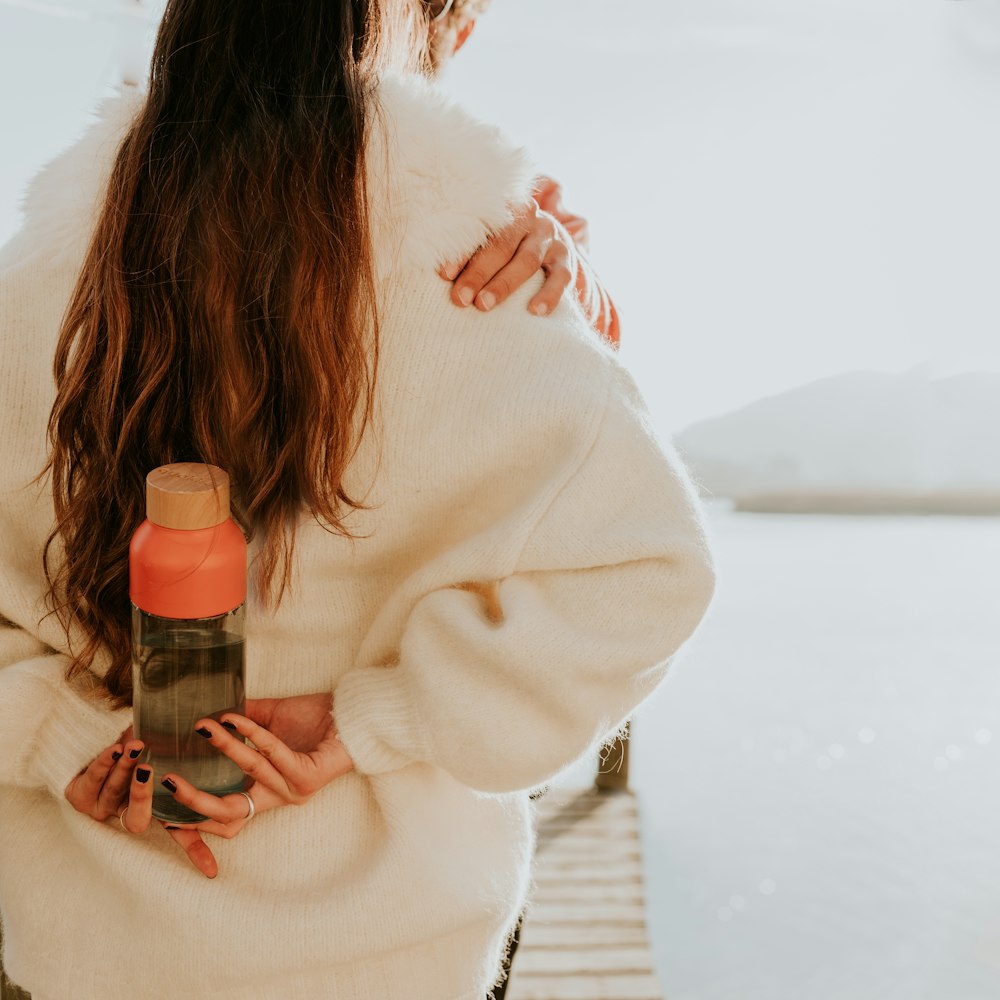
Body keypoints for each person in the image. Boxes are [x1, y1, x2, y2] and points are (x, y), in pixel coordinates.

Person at [0, 2, 716, 999]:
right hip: (391, 957)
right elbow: (648, 574)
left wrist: (50, 730)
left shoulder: (29, 289)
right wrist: (367, 720)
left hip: (89, 948)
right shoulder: (493, 289)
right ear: (442, 31)